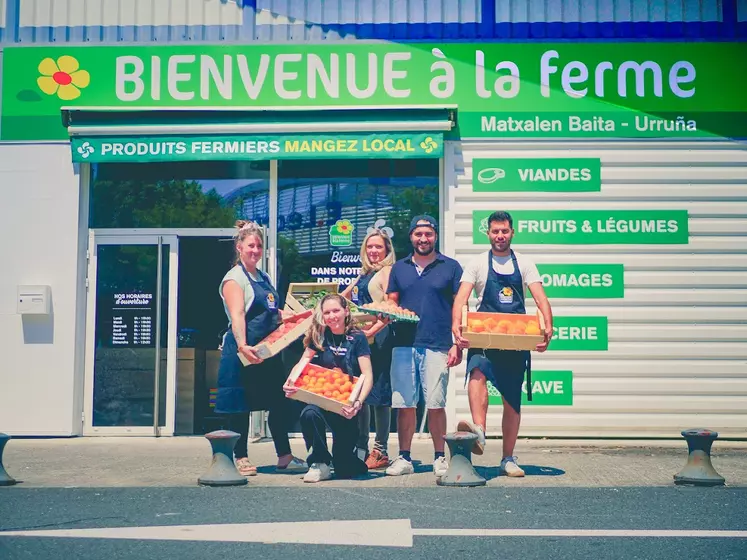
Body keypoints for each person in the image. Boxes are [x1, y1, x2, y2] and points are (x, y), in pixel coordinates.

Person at [452, 211, 553, 477]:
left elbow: (540, 298)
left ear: (512, 232)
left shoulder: (525, 264)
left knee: (511, 399)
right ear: (488, 233)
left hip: (515, 339)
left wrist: (548, 327)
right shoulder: (477, 264)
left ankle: (508, 458)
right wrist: (456, 328)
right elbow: (461, 298)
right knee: (477, 373)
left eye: (504, 231)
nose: (500, 236)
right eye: (495, 231)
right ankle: (480, 432)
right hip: (483, 335)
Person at [214, 220, 307, 477]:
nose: (255, 250)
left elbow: (272, 312)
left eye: (258, 246)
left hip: (267, 351)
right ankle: (241, 456)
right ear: (239, 247)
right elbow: (238, 314)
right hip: (243, 351)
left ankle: (285, 456)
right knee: (240, 405)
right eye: (250, 245)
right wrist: (244, 346)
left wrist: (298, 317)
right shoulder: (234, 279)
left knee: (278, 402)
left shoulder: (263, 277)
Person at [385, 215, 463, 478]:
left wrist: (457, 343)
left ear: (435, 236)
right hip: (403, 344)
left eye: (428, 234)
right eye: (418, 234)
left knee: (436, 403)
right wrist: (388, 312)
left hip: (438, 343)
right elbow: (390, 303)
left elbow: (459, 307)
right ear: (411, 237)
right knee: (404, 404)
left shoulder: (451, 267)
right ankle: (404, 457)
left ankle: (440, 457)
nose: (423, 239)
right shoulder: (399, 268)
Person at [284, 294, 374, 483]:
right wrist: (291, 381)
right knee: (309, 414)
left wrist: (357, 403)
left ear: (346, 311)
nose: (332, 316)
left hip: (345, 405)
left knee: (345, 469)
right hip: (320, 399)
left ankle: (351, 460)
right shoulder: (319, 335)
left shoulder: (357, 337)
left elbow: (367, 375)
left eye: (336, 311)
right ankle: (320, 462)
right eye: (327, 312)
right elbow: (303, 362)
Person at [340, 229, 395, 469]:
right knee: (359, 392)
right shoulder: (363, 274)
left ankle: (380, 450)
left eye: (378, 247)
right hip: (360, 339)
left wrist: (371, 333)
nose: (373, 251)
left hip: (379, 339)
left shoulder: (387, 272)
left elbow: (392, 310)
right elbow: (341, 299)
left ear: (387, 250)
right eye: (369, 247)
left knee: (380, 395)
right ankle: (360, 445)